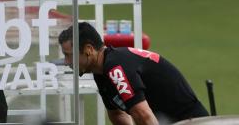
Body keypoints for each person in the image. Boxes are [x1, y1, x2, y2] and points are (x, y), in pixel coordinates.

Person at [58, 22, 209, 125]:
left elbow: (143, 115)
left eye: (69, 55)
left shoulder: (115, 68)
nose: (66, 62)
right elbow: (117, 114)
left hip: (189, 120)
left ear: (89, 50)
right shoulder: (101, 70)